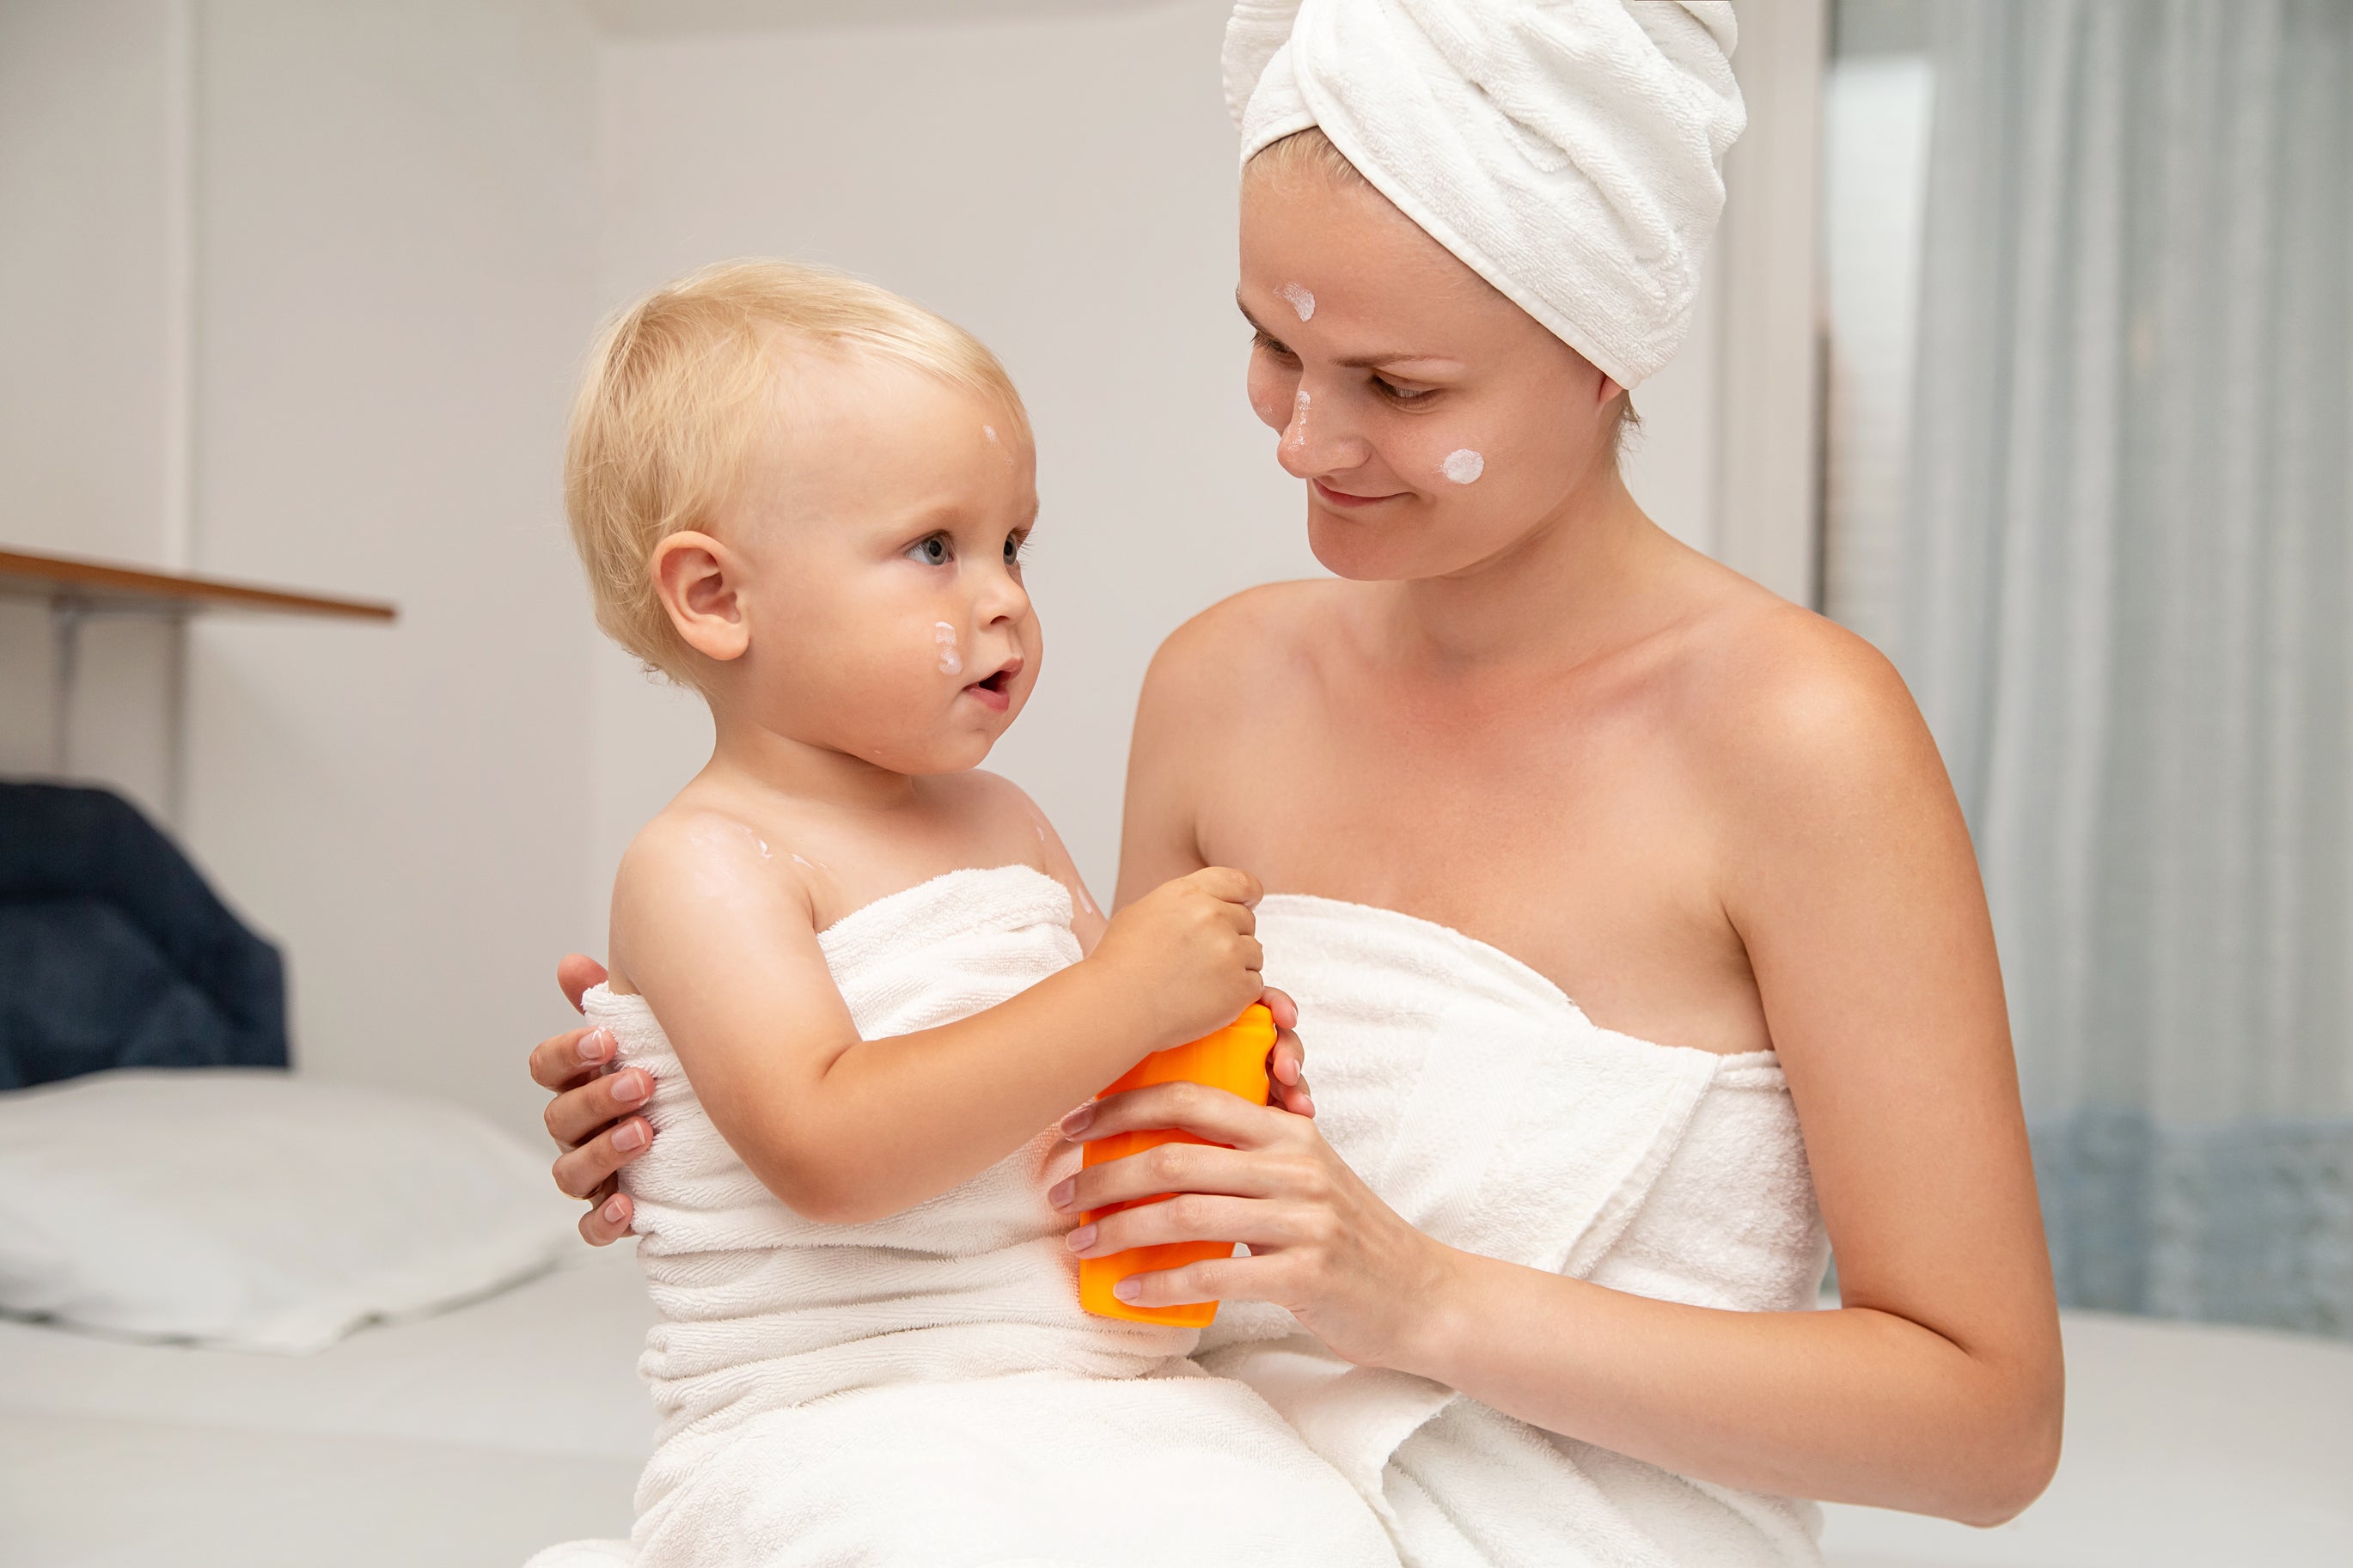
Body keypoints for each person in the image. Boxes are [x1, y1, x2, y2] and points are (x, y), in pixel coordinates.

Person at [534, 4, 2063, 1563]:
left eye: (1398, 387)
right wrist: (725, 1114)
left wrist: (1416, 1294)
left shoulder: (1795, 735)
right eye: (1272, 344)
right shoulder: (1221, 686)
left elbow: (1985, 1429)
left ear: (1603, 359)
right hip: (1182, 1491)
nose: (1305, 438)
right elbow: (1101, 1170)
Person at [529, 259, 1397, 1566]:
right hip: (837, 1413)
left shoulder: (1005, 822)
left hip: (1105, 1390)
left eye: (1013, 543)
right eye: (934, 548)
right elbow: (827, 1147)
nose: (1001, 596)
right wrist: (1123, 993)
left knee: (1309, 1528)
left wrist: (1218, 1060)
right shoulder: (705, 861)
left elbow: (1103, 1080)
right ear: (715, 597)